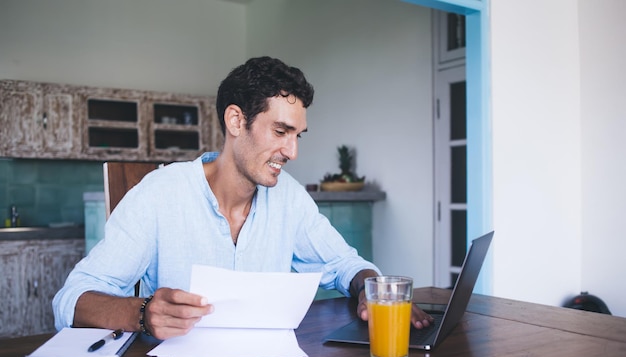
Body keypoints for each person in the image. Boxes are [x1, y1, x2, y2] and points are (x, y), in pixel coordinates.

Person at [53, 56, 433, 340]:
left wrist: (373, 292)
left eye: (297, 135)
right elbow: (71, 300)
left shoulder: (290, 199)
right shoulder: (158, 195)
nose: (292, 151)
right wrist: (143, 313)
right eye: (281, 131)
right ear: (236, 121)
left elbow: (346, 264)